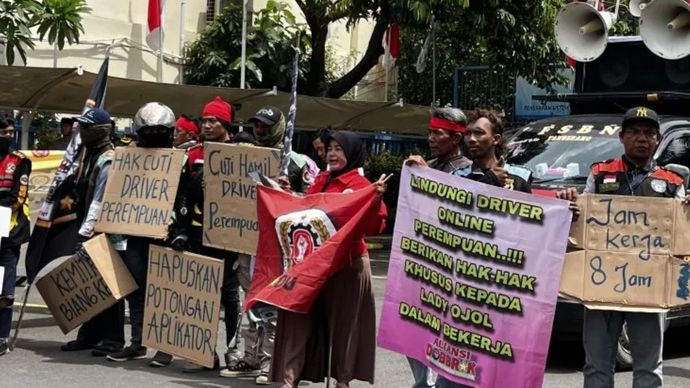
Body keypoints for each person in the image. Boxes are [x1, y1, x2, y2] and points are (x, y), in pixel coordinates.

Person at [558, 106, 687, 388]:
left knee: (649, 369)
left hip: (650, 292)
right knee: (596, 367)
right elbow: (579, 220)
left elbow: (682, 238)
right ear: (621, 137)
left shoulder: (672, 182)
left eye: (649, 133)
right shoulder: (600, 174)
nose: (642, 139)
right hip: (601, 288)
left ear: (657, 139)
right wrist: (570, 205)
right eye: (634, 132)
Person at [270, 130, 388, 388]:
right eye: (330, 148)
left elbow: (372, 228)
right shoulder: (320, 180)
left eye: (339, 149)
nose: (332, 154)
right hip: (313, 265)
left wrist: (374, 200)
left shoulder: (362, 186)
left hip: (347, 266)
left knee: (345, 328)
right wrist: (289, 196)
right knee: (297, 318)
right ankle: (289, 380)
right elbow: (306, 214)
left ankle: (342, 381)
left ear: (352, 152)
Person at [220, 106, 312, 385]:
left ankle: (271, 361)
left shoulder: (296, 163)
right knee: (253, 302)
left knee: (273, 305)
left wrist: (290, 192)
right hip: (248, 243)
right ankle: (251, 356)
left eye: (265, 125)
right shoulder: (242, 158)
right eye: (256, 125)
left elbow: (311, 204)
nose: (260, 130)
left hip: (279, 247)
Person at [169, 96, 241, 372]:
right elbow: (182, 195)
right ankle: (204, 352)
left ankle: (233, 351)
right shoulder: (193, 156)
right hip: (198, 234)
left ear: (226, 124)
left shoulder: (241, 154)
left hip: (229, 237)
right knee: (202, 294)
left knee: (230, 295)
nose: (208, 125)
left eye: (214, 121)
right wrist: (180, 230)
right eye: (205, 120)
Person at [106, 102, 180, 363]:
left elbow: (183, 198)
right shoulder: (126, 158)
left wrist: (174, 223)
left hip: (168, 235)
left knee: (165, 292)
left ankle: (165, 347)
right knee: (136, 291)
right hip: (136, 233)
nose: (154, 137)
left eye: (159, 132)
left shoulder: (179, 161)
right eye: (149, 132)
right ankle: (137, 342)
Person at [60, 108, 127, 356]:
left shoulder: (107, 159)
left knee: (109, 286)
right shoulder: (89, 155)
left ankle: (113, 339)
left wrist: (85, 233)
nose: (81, 131)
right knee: (92, 285)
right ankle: (90, 335)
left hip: (105, 231)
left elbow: (100, 199)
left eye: (85, 127)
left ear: (99, 131)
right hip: (91, 228)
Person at [0, 118, 31, 355]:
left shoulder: (19, 161)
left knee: (4, 289)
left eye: (11, 132)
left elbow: (17, 197)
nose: (8, 136)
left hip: (9, 232)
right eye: (3, 132)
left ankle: (2, 337)